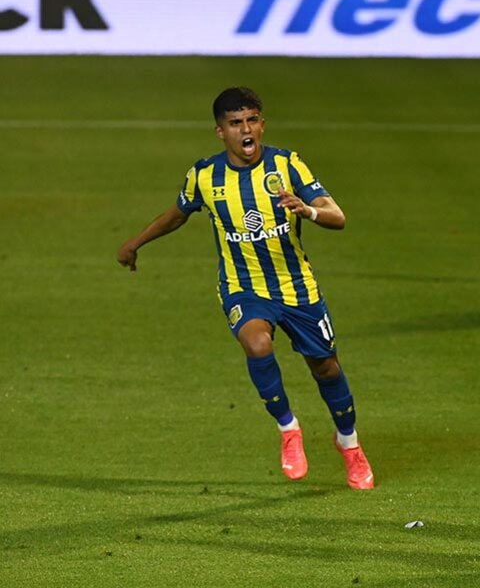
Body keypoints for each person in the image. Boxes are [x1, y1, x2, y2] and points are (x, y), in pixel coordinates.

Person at [117, 87, 374, 489]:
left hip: (297, 287)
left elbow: (337, 216)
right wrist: (135, 243)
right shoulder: (205, 175)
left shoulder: (287, 165)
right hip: (243, 287)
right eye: (236, 123)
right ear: (221, 131)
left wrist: (306, 209)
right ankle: (289, 429)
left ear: (262, 123)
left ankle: (349, 444)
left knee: (325, 367)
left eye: (252, 120)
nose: (246, 130)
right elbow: (177, 215)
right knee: (257, 343)